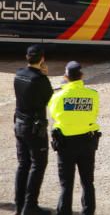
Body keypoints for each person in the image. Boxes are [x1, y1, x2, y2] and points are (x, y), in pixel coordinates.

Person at [48, 61, 100, 215]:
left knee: (66, 184)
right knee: (88, 182)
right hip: (87, 142)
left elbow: (53, 114)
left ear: (65, 77)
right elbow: (95, 113)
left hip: (66, 143)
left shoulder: (58, 96)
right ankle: (88, 212)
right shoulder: (93, 95)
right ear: (82, 76)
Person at [14, 45, 53, 215]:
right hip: (33, 127)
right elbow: (49, 98)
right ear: (42, 58)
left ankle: (19, 204)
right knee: (38, 164)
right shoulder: (40, 80)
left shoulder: (18, 74)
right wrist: (44, 75)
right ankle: (30, 206)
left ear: (27, 57)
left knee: (23, 165)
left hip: (19, 123)